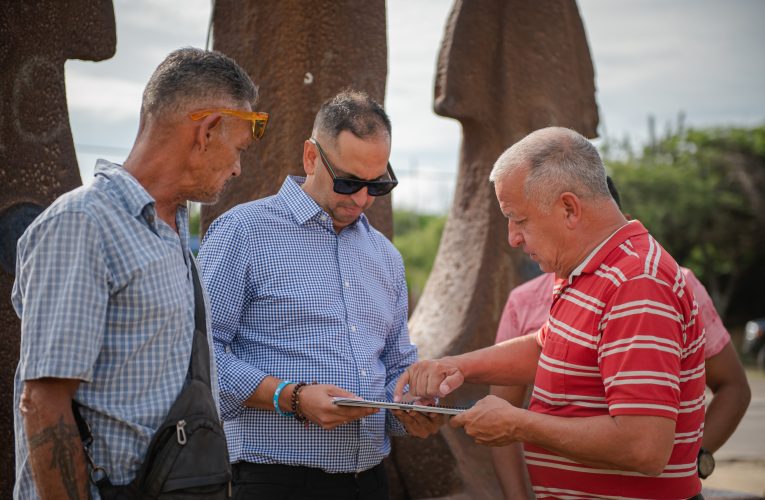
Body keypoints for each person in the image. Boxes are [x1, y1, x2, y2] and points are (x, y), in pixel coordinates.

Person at [395, 126, 707, 499]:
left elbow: (644, 446)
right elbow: (548, 349)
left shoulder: (636, 281)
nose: (512, 237)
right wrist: (457, 367)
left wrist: (520, 425)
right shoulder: (584, 269)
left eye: (519, 219)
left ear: (569, 208)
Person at [12, 47, 266, 499]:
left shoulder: (170, 231)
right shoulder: (83, 224)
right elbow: (44, 405)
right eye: (238, 149)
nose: (237, 168)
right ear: (206, 131)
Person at [197, 89, 443, 500]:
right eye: (348, 182)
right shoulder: (242, 232)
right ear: (311, 157)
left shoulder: (386, 256)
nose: (363, 198)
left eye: (377, 185)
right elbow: (200, 354)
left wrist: (413, 408)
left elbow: (397, 364)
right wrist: (289, 397)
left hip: (370, 480)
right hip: (275, 481)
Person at [489, 180, 752, 499]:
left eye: (521, 221)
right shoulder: (529, 300)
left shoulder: (654, 283)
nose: (514, 238)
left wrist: (695, 458)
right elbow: (506, 403)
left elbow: (730, 388)